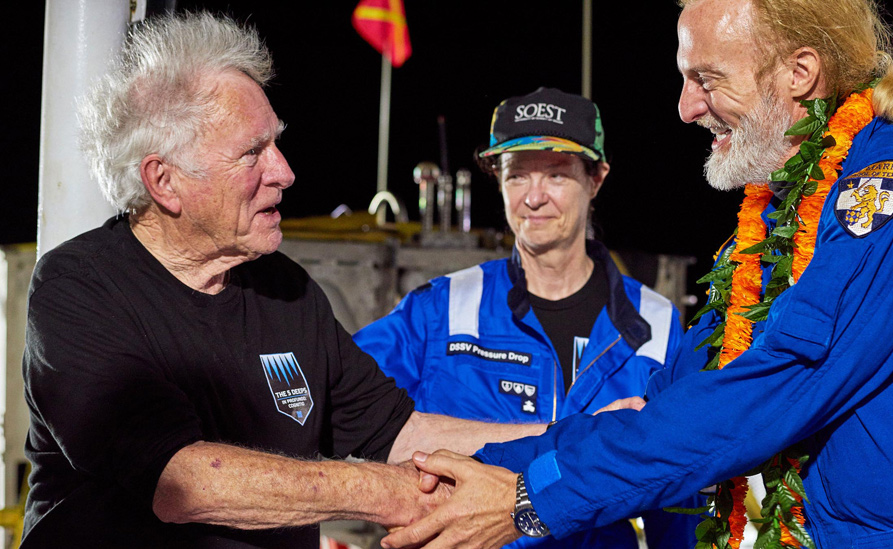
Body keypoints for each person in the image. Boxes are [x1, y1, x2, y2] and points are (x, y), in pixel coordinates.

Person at [379, 0, 893, 548]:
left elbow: (778, 385)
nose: (685, 108)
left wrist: (529, 500)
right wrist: (487, 474)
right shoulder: (770, 232)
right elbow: (663, 408)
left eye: (706, 79)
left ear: (800, 74)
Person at [20, 12, 545, 548]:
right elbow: (184, 483)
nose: (285, 171)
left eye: (275, 144)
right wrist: (389, 493)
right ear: (165, 181)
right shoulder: (79, 287)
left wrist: (568, 438)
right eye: (253, 152)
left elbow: (398, 432)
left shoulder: (286, 290)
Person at [354, 87, 696, 548]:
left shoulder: (655, 325)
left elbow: (680, 500)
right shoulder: (439, 310)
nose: (534, 198)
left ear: (596, 178)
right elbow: (338, 402)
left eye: (556, 175)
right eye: (516, 176)